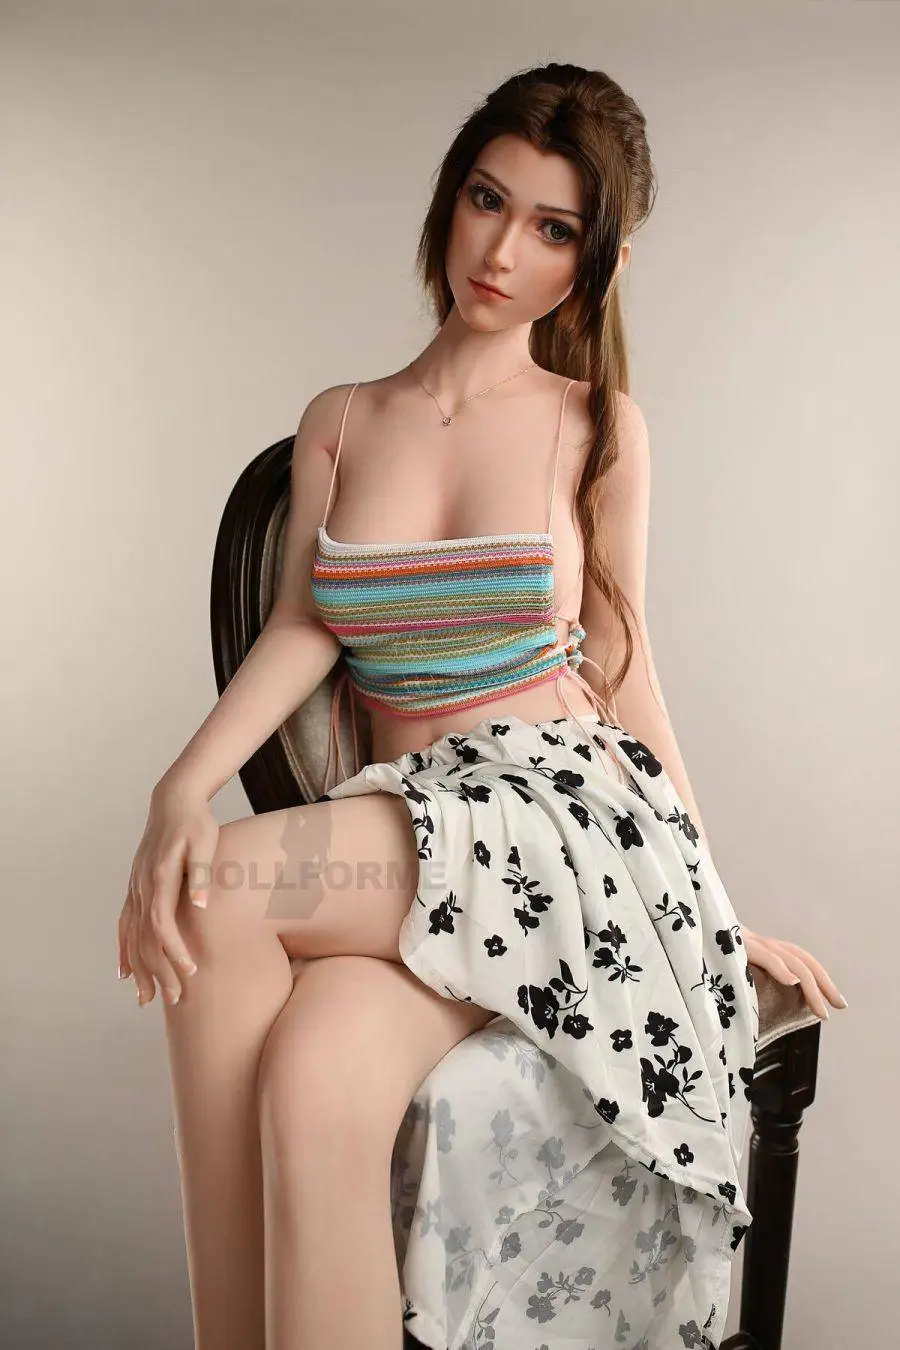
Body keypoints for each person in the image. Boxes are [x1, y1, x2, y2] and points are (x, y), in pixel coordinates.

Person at [117, 62, 847, 1350]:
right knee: (315, 1082)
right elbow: (305, 626)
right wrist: (182, 783)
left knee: (214, 888)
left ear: (595, 263)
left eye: (553, 228)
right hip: (412, 827)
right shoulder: (342, 421)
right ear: (450, 198)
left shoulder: (596, 425)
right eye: (487, 201)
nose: (503, 253)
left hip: (554, 823)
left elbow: (624, 668)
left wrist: (708, 913)